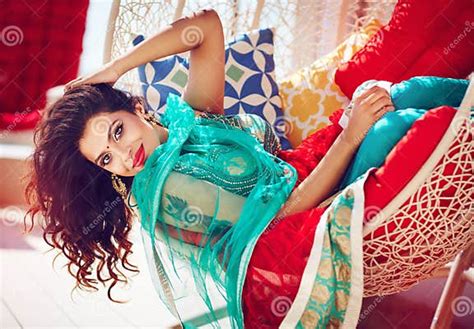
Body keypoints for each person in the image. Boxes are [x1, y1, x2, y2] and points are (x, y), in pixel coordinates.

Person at [24, 8, 469, 329]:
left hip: (306, 170)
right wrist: (352, 137)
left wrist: (113, 70)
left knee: (404, 89)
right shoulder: (169, 188)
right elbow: (286, 217)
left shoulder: (189, 126)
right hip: (303, 229)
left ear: (135, 108)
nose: (123, 158)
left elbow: (206, 28)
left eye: (116, 132)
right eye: (105, 159)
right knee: (399, 126)